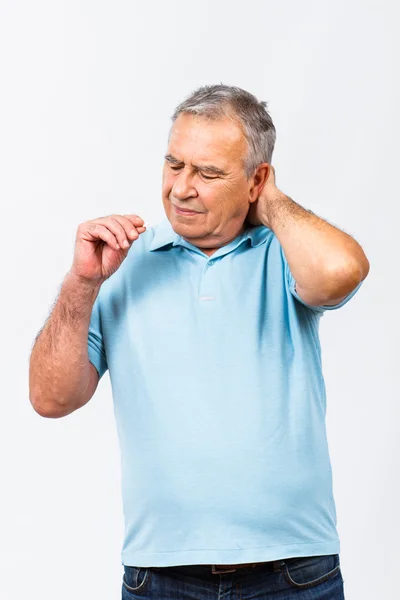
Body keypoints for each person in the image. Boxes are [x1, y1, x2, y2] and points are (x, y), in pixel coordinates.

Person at [29, 84, 369, 599]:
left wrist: (269, 201)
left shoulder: (286, 255)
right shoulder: (119, 263)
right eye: (174, 164)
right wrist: (82, 283)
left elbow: (342, 271)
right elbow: (50, 399)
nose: (181, 188)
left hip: (294, 571)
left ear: (256, 179)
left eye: (208, 173)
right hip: (160, 575)